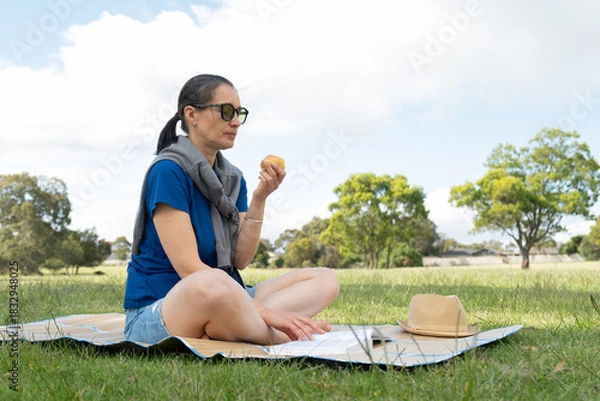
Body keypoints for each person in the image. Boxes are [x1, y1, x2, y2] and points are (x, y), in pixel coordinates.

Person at [123, 74, 339, 345]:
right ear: (192, 114)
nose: (235, 121)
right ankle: (280, 336)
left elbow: (240, 260)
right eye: (226, 111)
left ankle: (229, 327)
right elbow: (191, 271)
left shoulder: (233, 178)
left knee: (325, 280)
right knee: (212, 282)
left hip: (227, 295)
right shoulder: (168, 171)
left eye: (239, 113)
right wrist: (271, 314)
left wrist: (260, 198)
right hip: (161, 310)